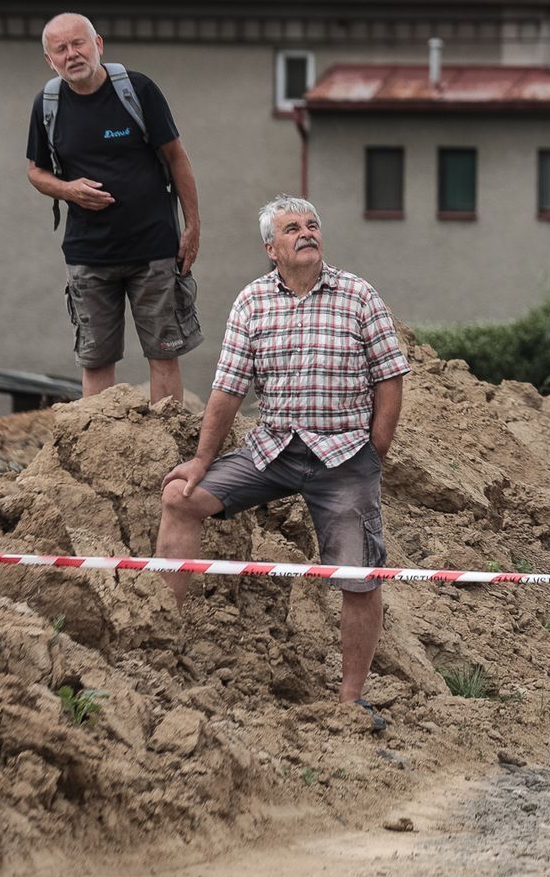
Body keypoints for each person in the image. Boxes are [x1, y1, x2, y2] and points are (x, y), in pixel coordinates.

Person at [155, 195, 410, 721]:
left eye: (313, 224)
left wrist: (374, 450)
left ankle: (350, 700)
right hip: (273, 450)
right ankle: (159, 654)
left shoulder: (358, 296)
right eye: (292, 228)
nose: (306, 233)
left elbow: (390, 376)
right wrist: (201, 461)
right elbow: (227, 390)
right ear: (272, 248)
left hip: (343, 455)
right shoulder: (252, 303)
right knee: (180, 500)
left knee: (358, 576)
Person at [27, 13, 203, 402]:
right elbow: (35, 172)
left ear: (98, 45)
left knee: (164, 354)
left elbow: (177, 156)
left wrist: (192, 226)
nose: (72, 54)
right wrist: (68, 190)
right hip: (89, 254)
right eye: (61, 49)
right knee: (95, 360)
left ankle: (168, 449)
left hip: (155, 248)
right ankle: (98, 454)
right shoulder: (48, 104)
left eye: (79, 43)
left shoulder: (137, 90)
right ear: (49, 60)